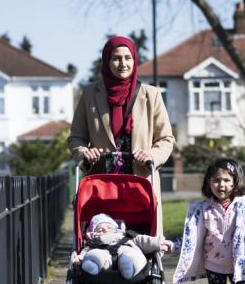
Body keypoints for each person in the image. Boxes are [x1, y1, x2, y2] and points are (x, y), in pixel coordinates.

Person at [68, 35, 175, 234]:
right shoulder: (90, 94)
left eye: (128, 58)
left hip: (140, 187)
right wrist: (84, 154)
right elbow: (76, 137)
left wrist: (152, 155)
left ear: (135, 60)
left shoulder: (151, 95)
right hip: (102, 187)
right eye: (116, 58)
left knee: (143, 246)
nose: (122, 63)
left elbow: (166, 138)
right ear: (107, 61)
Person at [72, 213, 173, 279]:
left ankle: (128, 264)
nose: (105, 230)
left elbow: (144, 241)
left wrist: (160, 243)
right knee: (94, 254)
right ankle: (92, 264)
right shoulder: (93, 242)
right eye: (100, 229)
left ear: (116, 227)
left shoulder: (128, 235)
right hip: (104, 260)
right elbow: (85, 251)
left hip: (126, 250)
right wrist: (79, 259)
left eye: (108, 227)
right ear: (93, 232)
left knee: (132, 254)